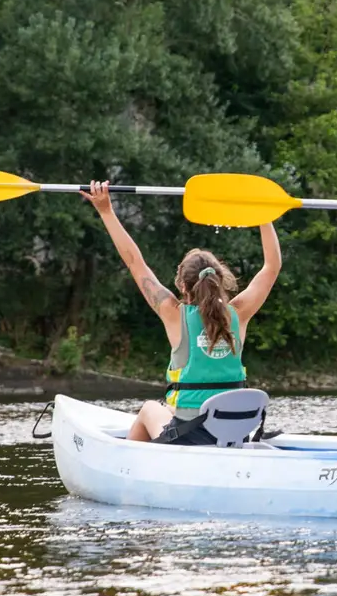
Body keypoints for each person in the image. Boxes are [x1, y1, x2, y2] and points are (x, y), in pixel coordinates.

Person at [83, 180, 282, 444]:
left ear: (181, 284)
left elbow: (134, 261)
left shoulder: (173, 313)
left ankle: (130, 467)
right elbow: (272, 267)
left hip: (192, 434)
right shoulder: (239, 313)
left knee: (149, 409)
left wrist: (106, 210)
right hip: (236, 432)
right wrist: (263, 215)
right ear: (221, 280)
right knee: (167, 411)